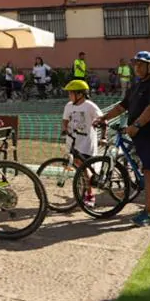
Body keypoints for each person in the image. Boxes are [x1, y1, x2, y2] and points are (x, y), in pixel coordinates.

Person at [97, 51, 150, 226]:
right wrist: (103, 118)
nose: (136, 67)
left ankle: (149, 213)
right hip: (141, 135)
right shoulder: (136, 86)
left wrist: (136, 125)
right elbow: (122, 107)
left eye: (140, 64)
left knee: (149, 172)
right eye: (135, 64)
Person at [61, 78, 102, 207]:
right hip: (73, 141)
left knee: (84, 168)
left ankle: (90, 195)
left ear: (80, 94)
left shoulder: (89, 106)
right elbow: (65, 120)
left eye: (71, 93)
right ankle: (82, 191)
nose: (69, 95)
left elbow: (102, 119)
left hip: (86, 142)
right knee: (77, 166)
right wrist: (64, 129)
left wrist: (104, 136)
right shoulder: (69, 106)